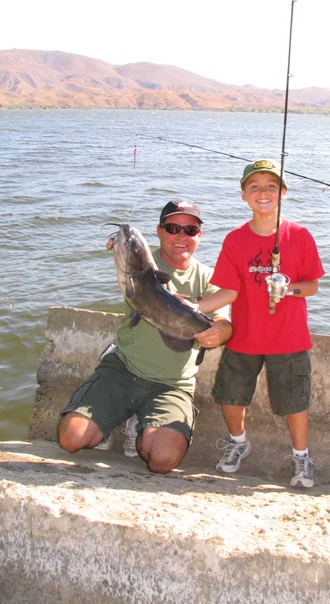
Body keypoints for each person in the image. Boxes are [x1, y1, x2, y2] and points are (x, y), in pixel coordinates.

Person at [58, 199, 233, 474]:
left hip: (172, 384)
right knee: (71, 439)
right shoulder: (145, 265)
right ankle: (113, 418)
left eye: (190, 230)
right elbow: (132, 261)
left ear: (200, 235)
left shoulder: (211, 278)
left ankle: (138, 426)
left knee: (162, 460)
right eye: (173, 228)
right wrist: (117, 247)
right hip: (124, 370)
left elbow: (223, 323)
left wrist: (221, 332)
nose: (181, 236)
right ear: (160, 231)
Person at [193, 160, 324, 488]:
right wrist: (194, 306)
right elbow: (229, 290)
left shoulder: (301, 235)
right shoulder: (235, 240)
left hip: (290, 339)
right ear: (243, 196)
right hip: (245, 338)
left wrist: (288, 288)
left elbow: (312, 285)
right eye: (254, 187)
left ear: (283, 193)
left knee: (295, 402)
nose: (263, 192)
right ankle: (238, 442)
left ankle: (301, 456)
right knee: (230, 395)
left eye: (270, 186)